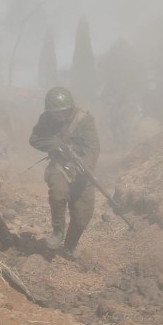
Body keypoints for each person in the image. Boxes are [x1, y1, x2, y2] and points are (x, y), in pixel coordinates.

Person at [29, 86, 100, 258]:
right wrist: (54, 145)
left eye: (62, 111)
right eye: (55, 112)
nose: (59, 115)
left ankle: (70, 245)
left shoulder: (84, 120)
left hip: (82, 170)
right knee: (58, 192)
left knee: (83, 214)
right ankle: (58, 232)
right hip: (59, 166)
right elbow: (34, 139)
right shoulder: (45, 119)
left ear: (69, 108)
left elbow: (93, 149)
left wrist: (81, 166)